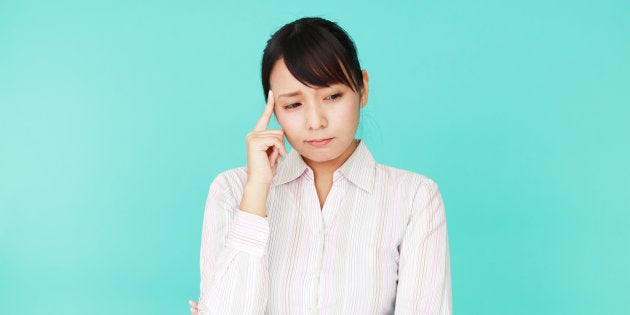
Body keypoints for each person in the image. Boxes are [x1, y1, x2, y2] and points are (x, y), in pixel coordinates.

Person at [189, 17, 452, 314]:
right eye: (293, 104)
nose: (316, 122)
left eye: (332, 96)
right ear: (272, 108)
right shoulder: (232, 191)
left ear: (362, 88)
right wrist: (256, 192)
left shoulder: (415, 197)